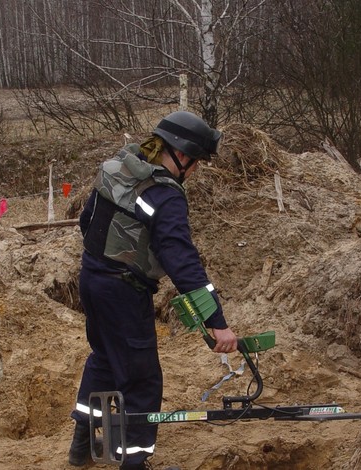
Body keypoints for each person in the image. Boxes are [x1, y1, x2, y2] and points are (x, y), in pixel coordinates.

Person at [69, 111, 238, 469]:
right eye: (196, 163)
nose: (195, 171)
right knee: (142, 378)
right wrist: (216, 320)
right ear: (180, 153)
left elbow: (87, 222)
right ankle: (133, 462)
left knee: (103, 358)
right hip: (124, 294)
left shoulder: (118, 169)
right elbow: (182, 262)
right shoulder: (165, 195)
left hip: (91, 280)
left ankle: (81, 445)